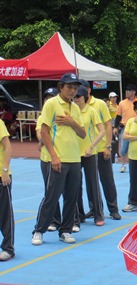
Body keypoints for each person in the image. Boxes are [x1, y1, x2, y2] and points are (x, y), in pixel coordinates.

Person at [32, 72, 86, 246]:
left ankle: (66, 230)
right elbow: (44, 131)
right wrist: (54, 156)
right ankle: (39, 230)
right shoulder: (52, 104)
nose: (72, 91)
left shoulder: (75, 108)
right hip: (57, 158)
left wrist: (71, 122)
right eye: (69, 87)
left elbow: (83, 133)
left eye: (75, 88)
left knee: (72, 196)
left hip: (74, 158)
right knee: (52, 196)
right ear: (61, 87)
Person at [80, 80, 121, 221]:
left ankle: (113, 208)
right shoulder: (76, 105)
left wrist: (108, 146)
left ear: (89, 90)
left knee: (107, 179)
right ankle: (94, 208)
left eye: (82, 89)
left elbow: (108, 125)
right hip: (87, 150)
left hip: (101, 147)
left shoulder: (99, 104)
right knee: (91, 181)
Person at [74, 85, 105, 227]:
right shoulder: (71, 111)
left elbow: (102, 131)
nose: (75, 99)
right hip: (74, 153)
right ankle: (79, 214)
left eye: (78, 97)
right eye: (74, 97)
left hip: (89, 153)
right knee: (75, 185)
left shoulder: (91, 111)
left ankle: (98, 214)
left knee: (93, 183)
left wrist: (91, 146)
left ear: (84, 98)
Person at [35, 87, 64, 232]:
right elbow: (40, 135)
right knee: (50, 190)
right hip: (47, 158)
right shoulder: (42, 118)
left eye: (51, 98)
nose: (48, 101)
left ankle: (72, 220)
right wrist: (44, 141)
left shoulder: (62, 115)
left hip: (64, 157)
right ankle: (54, 219)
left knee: (67, 190)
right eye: (46, 98)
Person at [114, 84, 137, 172]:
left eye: (129, 90)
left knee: (136, 147)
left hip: (136, 126)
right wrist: (116, 127)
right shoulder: (122, 103)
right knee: (123, 147)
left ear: (134, 92)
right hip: (125, 127)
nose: (127, 92)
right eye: (126, 91)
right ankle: (123, 165)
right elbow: (118, 116)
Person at [0, 116, 14, 261]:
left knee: (4, 214)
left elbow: (8, 146)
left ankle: (8, 248)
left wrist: (4, 170)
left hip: (1, 176)